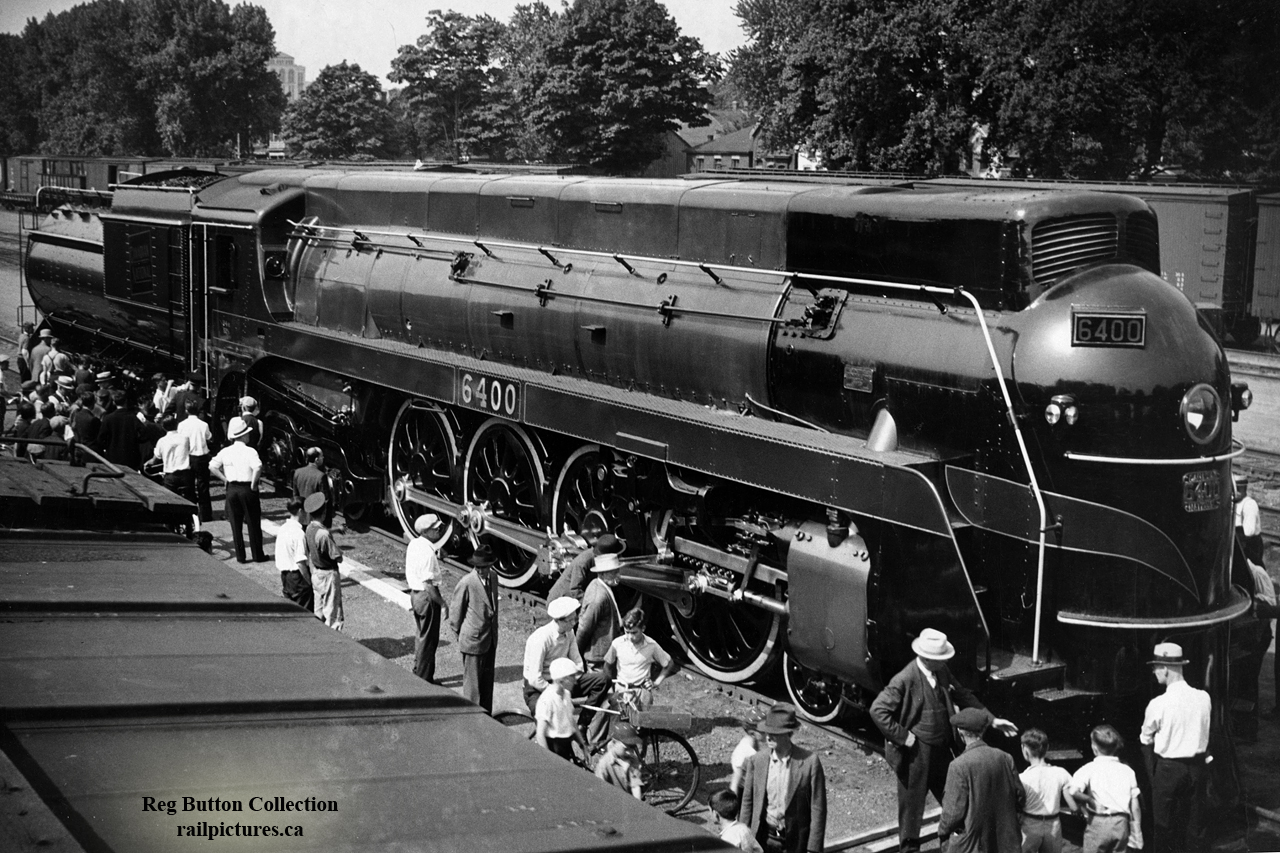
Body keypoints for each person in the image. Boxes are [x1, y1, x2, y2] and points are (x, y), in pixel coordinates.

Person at [869, 628, 1018, 853]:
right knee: (911, 810)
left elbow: (963, 695)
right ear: (926, 658)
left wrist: (993, 720)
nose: (945, 662)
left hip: (942, 751)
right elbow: (877, 710)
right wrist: (904, 737)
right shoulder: (905, 678)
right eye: (940, 659)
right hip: (916, 755)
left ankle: (957, 844)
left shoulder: (942, 672)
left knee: (953, 798)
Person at [1139, 642, 1209, 853]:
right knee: (1195, 825)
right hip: (1197, 768)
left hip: (1169, 770)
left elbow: (1145, 740)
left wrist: (1153, 776)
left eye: (1155, 668)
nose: (1153, 673)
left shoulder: (1158, 704)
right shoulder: (1204, 698)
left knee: (1164, 826)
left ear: (1165, 669)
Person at [739, 703, 826, 853]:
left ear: (789, 733)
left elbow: (818, 809)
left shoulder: (810, 762)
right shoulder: (756, 761)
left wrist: (813, 849)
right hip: (764, 839)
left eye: (775, 732)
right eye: (767, 731)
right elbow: (747, 803)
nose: (769, 736)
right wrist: (742, 838)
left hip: (795, 842)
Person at [938, 707, 1025, 853]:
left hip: (975, 845)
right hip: (1006, 841)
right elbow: (1020, 796)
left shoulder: (958, 766)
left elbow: (952, 813)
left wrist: (942, 832)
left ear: (960, 733)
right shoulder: (1005, 757)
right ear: (983, 731)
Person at [522, 597, 611, 738]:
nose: (574, 623)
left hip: (563, 681)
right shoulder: (540, 639)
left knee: (603, 680)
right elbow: (534, 678)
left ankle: (583, 724)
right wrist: (557, 694)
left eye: (575, 619)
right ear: (559, 621)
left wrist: (571, 681)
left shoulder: (569, 632)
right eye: (571, 620)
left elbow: (578, 662)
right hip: (538, 688)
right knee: (553, 726)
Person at [1066, 725, 1143, 853]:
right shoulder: (1127, 770)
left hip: (1098, 822)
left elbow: (1073, 791)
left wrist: (1089, 799)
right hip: (1121, 823)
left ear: (1094, 748)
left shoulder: (1089, 768)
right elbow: (1135, 805)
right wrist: (1137, 832)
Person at [449, 544, 500, 713]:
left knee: (486, 684)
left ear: (490, 565)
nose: (480, 571)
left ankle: (486, 717)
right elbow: (455, 614)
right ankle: (471, 718)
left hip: (490, 638)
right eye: (477, 567)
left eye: (484, 567)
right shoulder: (467, 582)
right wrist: (462, 635)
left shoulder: (493, 576)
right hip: (473, 641)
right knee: (473, 687)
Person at [209, 417, 267, 563]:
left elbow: (212, 466)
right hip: (247, 489)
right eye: (247, 433)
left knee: (236, 524)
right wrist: (254, 484)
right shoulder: (250, 451)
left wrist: (224, 479)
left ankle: (241, 556)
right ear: (243, 435)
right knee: (253, 523)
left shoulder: (225, 451)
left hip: (232, 488)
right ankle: (257, 555)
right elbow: (258, 467)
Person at [1019, 728, 1076, 853]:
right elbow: (1073, 803)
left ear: (1025, 750)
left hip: (1030, 823)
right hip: (1053, 824)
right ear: (1047, 748)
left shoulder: (1022, 778)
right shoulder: (1061, 773)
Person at [407, 513, 448, 682]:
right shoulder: (428, 554)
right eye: (435, 528)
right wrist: (443, 603)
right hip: (427, 598)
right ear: (425, 531)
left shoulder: (415, 544)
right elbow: (429, 585)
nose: (439, 529)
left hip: (415, 596)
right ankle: (424, 680)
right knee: (429, 640)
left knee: (421, 636)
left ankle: (419, 671)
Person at [535, 657, 588, 762]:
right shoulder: (547, 699)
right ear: (561, 680)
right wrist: (550, 760)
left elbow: (571, 722)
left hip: (566, 744)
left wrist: (583, 746)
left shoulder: (567, 694)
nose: (575, 681)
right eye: (572, 676)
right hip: (553, 746)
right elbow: (540, 735)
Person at [577, 552, 623, 671]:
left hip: (605, 655)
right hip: (598, 659)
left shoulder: (601, 585)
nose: (618, 575)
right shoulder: (598, 597)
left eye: (618, 571)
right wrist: (577, 654)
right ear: (602, 574)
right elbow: (584, 629)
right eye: (614, 572)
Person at [304, 492, 344, 630]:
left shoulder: (309, 528)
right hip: (329, 576)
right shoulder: (324, 535)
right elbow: (338, 557)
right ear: (324, 512)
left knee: (319, 612)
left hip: (316, 574)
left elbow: (321, 533)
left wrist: (336, 530)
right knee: (333, 615)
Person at [548, 533, 625, 602]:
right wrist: (594, 605)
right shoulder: (583, 562)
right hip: (560, 601)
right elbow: (575, 590)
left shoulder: (599, 560)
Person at [275, 498, 313, 612]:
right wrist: (309, 582)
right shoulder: (298, 533)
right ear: (301, 511)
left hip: (285, 577)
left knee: (291, 610)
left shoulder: (283, 529)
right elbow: (300, 562)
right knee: (304, 612)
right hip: (298, 579)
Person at [178, 399, 213, 523]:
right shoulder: (203, 425)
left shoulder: (182, 425)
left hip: (189, 457)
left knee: (189, 486)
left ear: (186, 410)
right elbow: (209, 437)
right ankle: (206, 515)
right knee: (203, 486)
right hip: (202, 457)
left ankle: (191, 514)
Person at [596, 722, 646, 800]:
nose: (630, 752)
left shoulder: (633, 759)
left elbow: (635, 786)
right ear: (614, 743)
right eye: (626, 749)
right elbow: (599, 793)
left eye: (632, 748)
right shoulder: (604, 764)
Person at [151, 414, 194, 503]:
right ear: (176, 424)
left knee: (170, 503)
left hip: (170, 476)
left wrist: (147, 463)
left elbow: (155, 459)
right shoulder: (185, 438)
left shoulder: (162, 441)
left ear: (163, 427)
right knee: (190, 500)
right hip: (185, 475)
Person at [94, 389, 142, 469]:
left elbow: (101, 439)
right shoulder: (133, 418)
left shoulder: (108, 418)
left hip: (113, 457)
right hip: (131, 457)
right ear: (126, 401)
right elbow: (144, 434)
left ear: (113, 402)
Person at [709, 788, 764, 852]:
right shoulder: (744, 828)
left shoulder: (727, 840)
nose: (709, 814)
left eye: (709, 810)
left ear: (716, 814)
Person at [731, 707, 768, 795]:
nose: (767, 733)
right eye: (763, 731)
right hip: (745, 790)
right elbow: (735, 780)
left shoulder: (751, 742)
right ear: (752, 733)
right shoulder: (746, 752)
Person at [292, 447, 333, 526]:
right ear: (316, 459)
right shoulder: (321, 476)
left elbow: (295, 496)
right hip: (315, 520)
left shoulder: (297, 472)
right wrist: (326, 522)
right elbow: (326, 500)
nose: (323, 458)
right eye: (322, 456)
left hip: (301, 518)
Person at [1234, 475, 1265, 566]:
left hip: (1249, 546)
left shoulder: (1249, 504)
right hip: (1239, 544)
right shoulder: (1234, 503)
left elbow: (1249, 532)